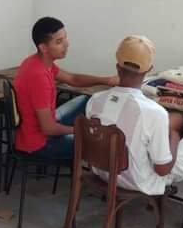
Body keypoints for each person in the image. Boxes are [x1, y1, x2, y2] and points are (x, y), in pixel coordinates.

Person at [86, 35, 183, 226]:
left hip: (104, 171)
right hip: (141, 180)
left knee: (176, 118)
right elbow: (162, 170)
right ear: (149, 70)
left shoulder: (95, 100)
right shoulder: (154, 112)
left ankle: (158, 195)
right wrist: (174, 138)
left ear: (117, 66)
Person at [13, 17, 119, 160]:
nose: (66, 44)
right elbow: (48, 128)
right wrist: (80, 131)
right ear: (43, 48)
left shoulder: (39, 61)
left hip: (44, 125)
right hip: (40, 143)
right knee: (99, 142)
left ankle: (96, 132)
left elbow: (72, 79)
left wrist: (107, 80)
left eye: (65, 38)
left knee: (87, 100)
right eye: (59, 42)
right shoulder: (38, 76)